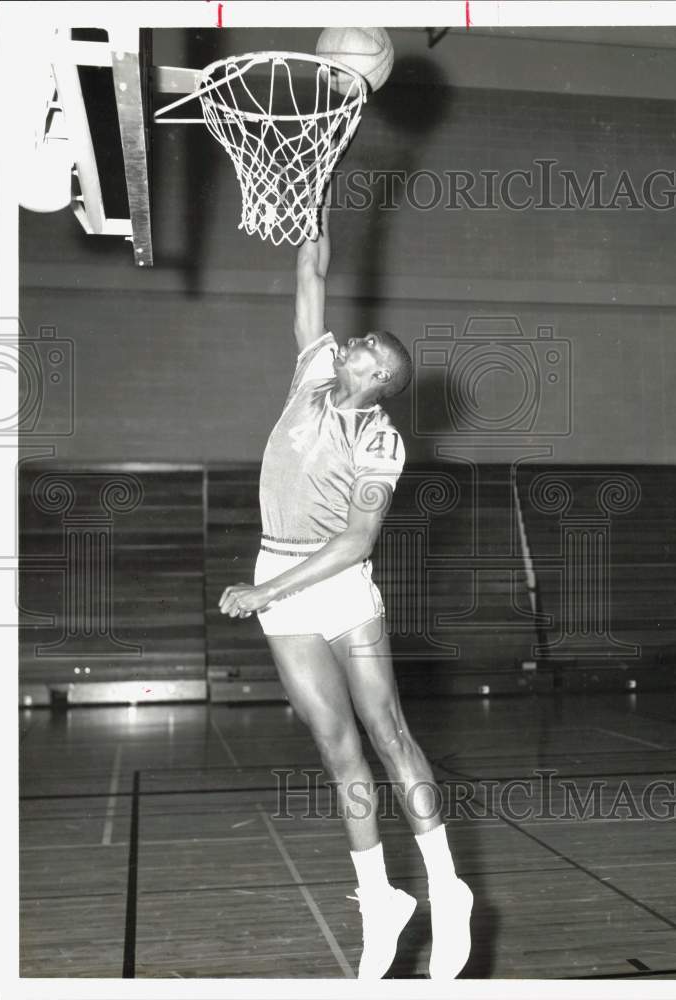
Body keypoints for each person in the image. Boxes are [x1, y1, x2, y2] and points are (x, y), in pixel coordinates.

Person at [218, 204, 473, 980]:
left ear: (379, 379)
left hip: (337, 587)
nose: (349, 344)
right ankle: (380, 897)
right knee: (337, 750)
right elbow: (312, 272)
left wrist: (266, 596)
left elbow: (356, 543)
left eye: (363, 349)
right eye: (353, 342)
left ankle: (446, 886)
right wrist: (314, 195)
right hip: (278, 576)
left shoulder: (381, 439)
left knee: (388, 732)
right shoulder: (311, 375)